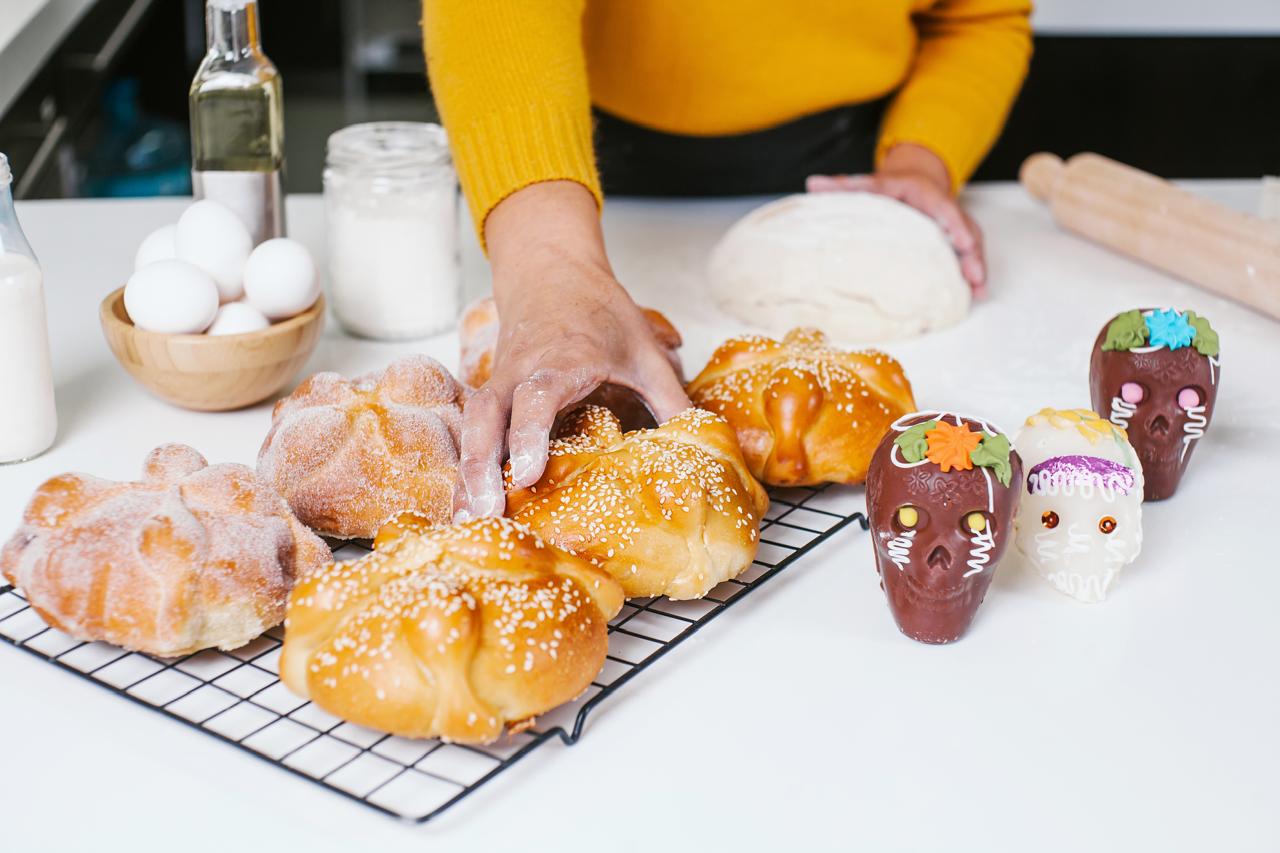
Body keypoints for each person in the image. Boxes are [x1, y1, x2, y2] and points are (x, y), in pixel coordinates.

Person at [423, 0, 1033, 520]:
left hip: (856, 158)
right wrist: (551, 266)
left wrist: (922, 158)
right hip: (562, 150)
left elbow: (977, 18)